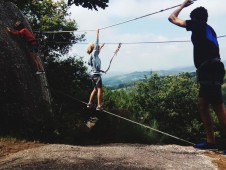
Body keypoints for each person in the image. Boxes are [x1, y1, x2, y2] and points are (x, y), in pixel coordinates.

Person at [168, 0, 226, 152]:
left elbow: (172, 18)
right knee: (202, 105)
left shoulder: (198, 25)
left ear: (195, 19)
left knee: (219, 107)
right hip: (211, 68)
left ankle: (213, 141)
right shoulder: (209, 28)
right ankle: (211, 141)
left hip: (210, 70)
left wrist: (182, 5)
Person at [86, 29, 105, 111]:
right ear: (93, 47)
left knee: (94, 89)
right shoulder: (94, 53)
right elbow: (96, 43)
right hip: (96, 75)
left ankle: (90, 103)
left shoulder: (92, 55)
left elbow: (90, 63)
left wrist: (101, 47)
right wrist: (97, 33)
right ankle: (99, 106)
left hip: (93, 74)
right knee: (100, 90)